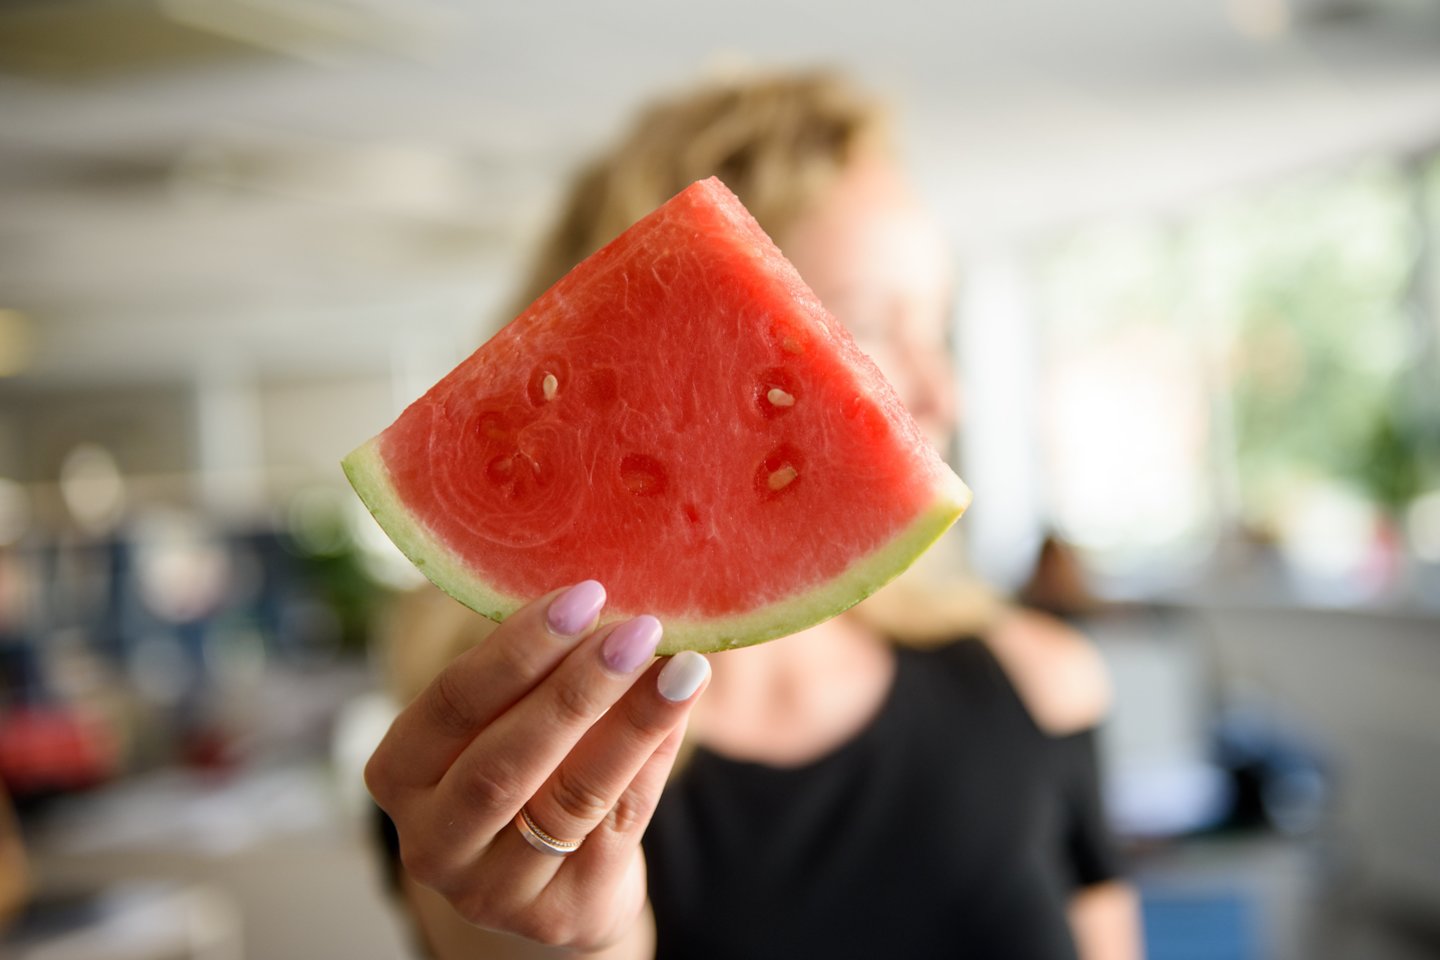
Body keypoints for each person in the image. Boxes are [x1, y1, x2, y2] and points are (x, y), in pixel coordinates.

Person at [363, 71, 1144, 959]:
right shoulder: (493, 770)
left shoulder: (1043, 683)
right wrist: (580, 944)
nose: (944, 394)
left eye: (936, 323)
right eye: (863, 326)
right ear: (672, 364)